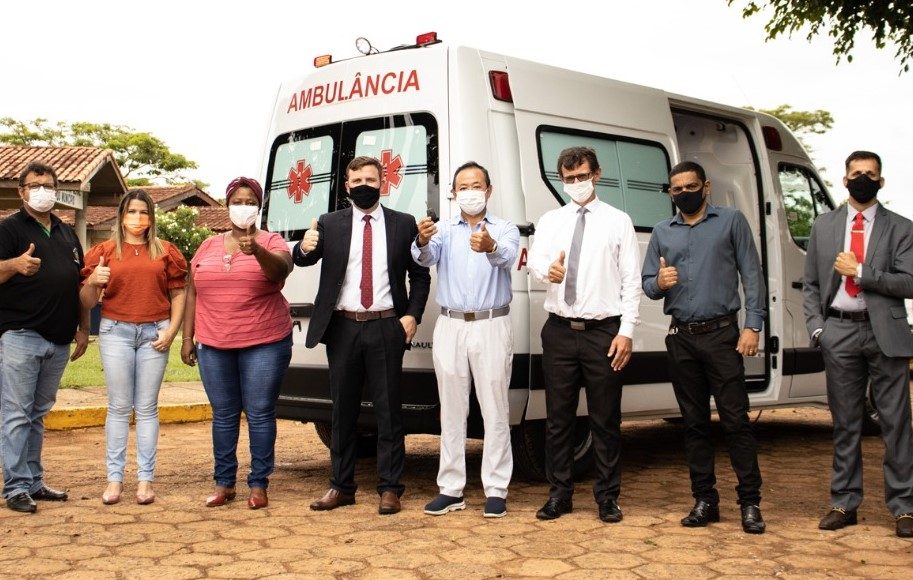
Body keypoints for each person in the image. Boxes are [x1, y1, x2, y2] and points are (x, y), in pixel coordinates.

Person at [296, 156, 430, 515]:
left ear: (382, 183)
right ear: (347, 186)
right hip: (342, 327)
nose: (363, 186)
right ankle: (341, 487)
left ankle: (390, 488)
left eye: (370, 180)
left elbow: (420, 275)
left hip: (386, 326)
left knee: (389, 410)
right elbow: (304, 259)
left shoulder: (403, 224)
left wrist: (412, 315)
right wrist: (304, 246)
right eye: (356, 181)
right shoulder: (329, 223)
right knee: (343, 410)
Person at [641, 161, 767, 534]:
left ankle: (750, 503)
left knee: (735, 421)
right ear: (670, 192)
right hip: (681, 337)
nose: (684, 193)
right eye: (676, 189)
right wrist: (660, 282)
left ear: (706, 186)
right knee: (694, 424)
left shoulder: (731, 222)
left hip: (723, 335)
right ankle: (705, 500)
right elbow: (647, 284)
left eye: (690, 186)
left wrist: (753, 326)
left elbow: (752, 275)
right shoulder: (662, 231)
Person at [527, 146, 641, 522]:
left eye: (582, 176)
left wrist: (626, 331)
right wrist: (547, 271)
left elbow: (631, 281)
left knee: (604, 419)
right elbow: (536, 262)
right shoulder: (550, 220)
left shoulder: (618, 221)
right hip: (559, 330)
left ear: (597, 174)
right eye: (569, 178)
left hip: (603, 332)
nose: (576, 183)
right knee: (558, 419)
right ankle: (559, 494)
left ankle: (607, 497)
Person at [803, 151, 913, 538]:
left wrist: (862, 272)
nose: (863, 178)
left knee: (896, 423)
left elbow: (909, 282)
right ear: (845, 179)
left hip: (886, 333)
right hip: (839, 332)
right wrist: (819, 329)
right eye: (856, 173)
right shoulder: (824, 225)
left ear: (880, 181)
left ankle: (904, 506)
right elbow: (811, 284)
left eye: (870, 173)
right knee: (846, 423)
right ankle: (844, 502)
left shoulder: (901, 228)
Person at [412, 161, 520, 518]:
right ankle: (450, 488)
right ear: (453, 193)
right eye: (463, 187)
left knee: (495, 408)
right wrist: (421, 240)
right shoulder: (443, 229)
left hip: (491, 323)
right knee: (452, 409)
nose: (470, 192)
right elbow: (425, 257)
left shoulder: (505, 228)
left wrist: (490, 246)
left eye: (476, 186)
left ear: (488, 190)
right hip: (451, 324)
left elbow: (506, 257)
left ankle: (496, 489)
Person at [181, 177, 293, 510]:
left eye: (250, 202)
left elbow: (280, 271)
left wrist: (256, 250)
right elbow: (192, 291)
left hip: (264, 342)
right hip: (213, 343)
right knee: (224, 415)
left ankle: (258, 484)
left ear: (259, 207)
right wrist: (187, 337)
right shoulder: (208, 245)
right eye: (237, 202)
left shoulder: (271, 240)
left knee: (259, 413)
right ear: (227, 205)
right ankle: (224, 483)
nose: (243, 207)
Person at [80, 190, 187, 505]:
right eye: (131, 212)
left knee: (147, 407)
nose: (137, 218)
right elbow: (86, 301)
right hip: (116, 332)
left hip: (155, 332)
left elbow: (179, 293)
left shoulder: (166, 251)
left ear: (151, 217)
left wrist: (172, 330)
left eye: (143, 212)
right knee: (118, 406)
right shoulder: (104, 251)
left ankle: (145, 481)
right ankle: (114, 480)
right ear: (121, 215)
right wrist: (93, 281)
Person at [0, 161, 90, 514]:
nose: (43, 191)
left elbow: (79, 283)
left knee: (37, 414)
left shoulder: (67, 233)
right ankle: (16, 486)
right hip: (21, 335)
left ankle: (34, 481)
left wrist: (83, 328)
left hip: (59, 339)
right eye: (35, 185)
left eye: (49, 185)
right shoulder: (9, 229)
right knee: (16, 414)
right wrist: (13, 265)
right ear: (21, 191)